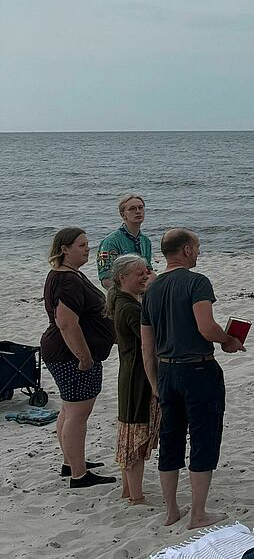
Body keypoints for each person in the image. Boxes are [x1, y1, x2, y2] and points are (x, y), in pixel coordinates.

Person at [141, 228, 244, 529]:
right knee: (203, 437)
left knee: (171, 438)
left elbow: (147, 345)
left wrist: (154, 383)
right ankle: (198, 513)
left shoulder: (152, 289)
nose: (199, 252)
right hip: (197, 369)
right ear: (185, 251)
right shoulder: (197, 282)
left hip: (166, 369)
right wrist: (228, 340)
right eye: (197, 247)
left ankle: (171, 509)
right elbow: (205, 326)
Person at [41, 228, 117, 488]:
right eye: (82, 245)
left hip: (61, 352)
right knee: (77, 414)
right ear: (65, 249)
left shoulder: (65, 274)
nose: (87, 249)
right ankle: (79, 475)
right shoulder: (68, 280)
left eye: (87, 244)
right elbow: (66, 323)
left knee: (68, 409)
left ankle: (72, 463)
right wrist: (83, 358)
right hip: (68, 355)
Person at [107, 254, 159, 504]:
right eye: (140, 274)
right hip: (136, 378)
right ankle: (136, 496)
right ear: (122, 278)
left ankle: (128, 490)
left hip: (129, 374)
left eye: (146, 272)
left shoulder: (122, 301)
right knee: (135, 436)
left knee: (128, 433)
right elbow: (151, 339)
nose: (145, 277)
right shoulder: (130, 307)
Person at [98, 194, 155, 288]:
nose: (138, 211)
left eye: (140, 208)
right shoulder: (111, 241)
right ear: (123, 214)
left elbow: (148, 270)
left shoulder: (145, 241)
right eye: (132, 209)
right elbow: (106, 279)